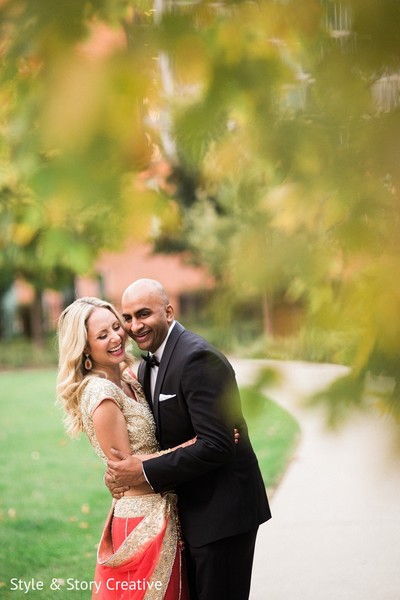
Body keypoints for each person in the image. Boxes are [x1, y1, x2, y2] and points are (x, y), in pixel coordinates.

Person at [106, 279, 271, 600]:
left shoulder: (198, 359)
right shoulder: (145, 367)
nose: (134, 326)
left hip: (221, 514)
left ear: (169, 311)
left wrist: (143, 471)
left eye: (143, 314)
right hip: (188, 511)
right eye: (127, 318)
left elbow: (217, 444)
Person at [56, 296, 192, 599]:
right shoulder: (101, 393)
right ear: (85, 347)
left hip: (163, 511)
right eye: (102, 335)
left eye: (117, 327)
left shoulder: (129, 377)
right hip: (141, 520)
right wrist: (196, 446)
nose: (117, 337)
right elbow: (128, 471)